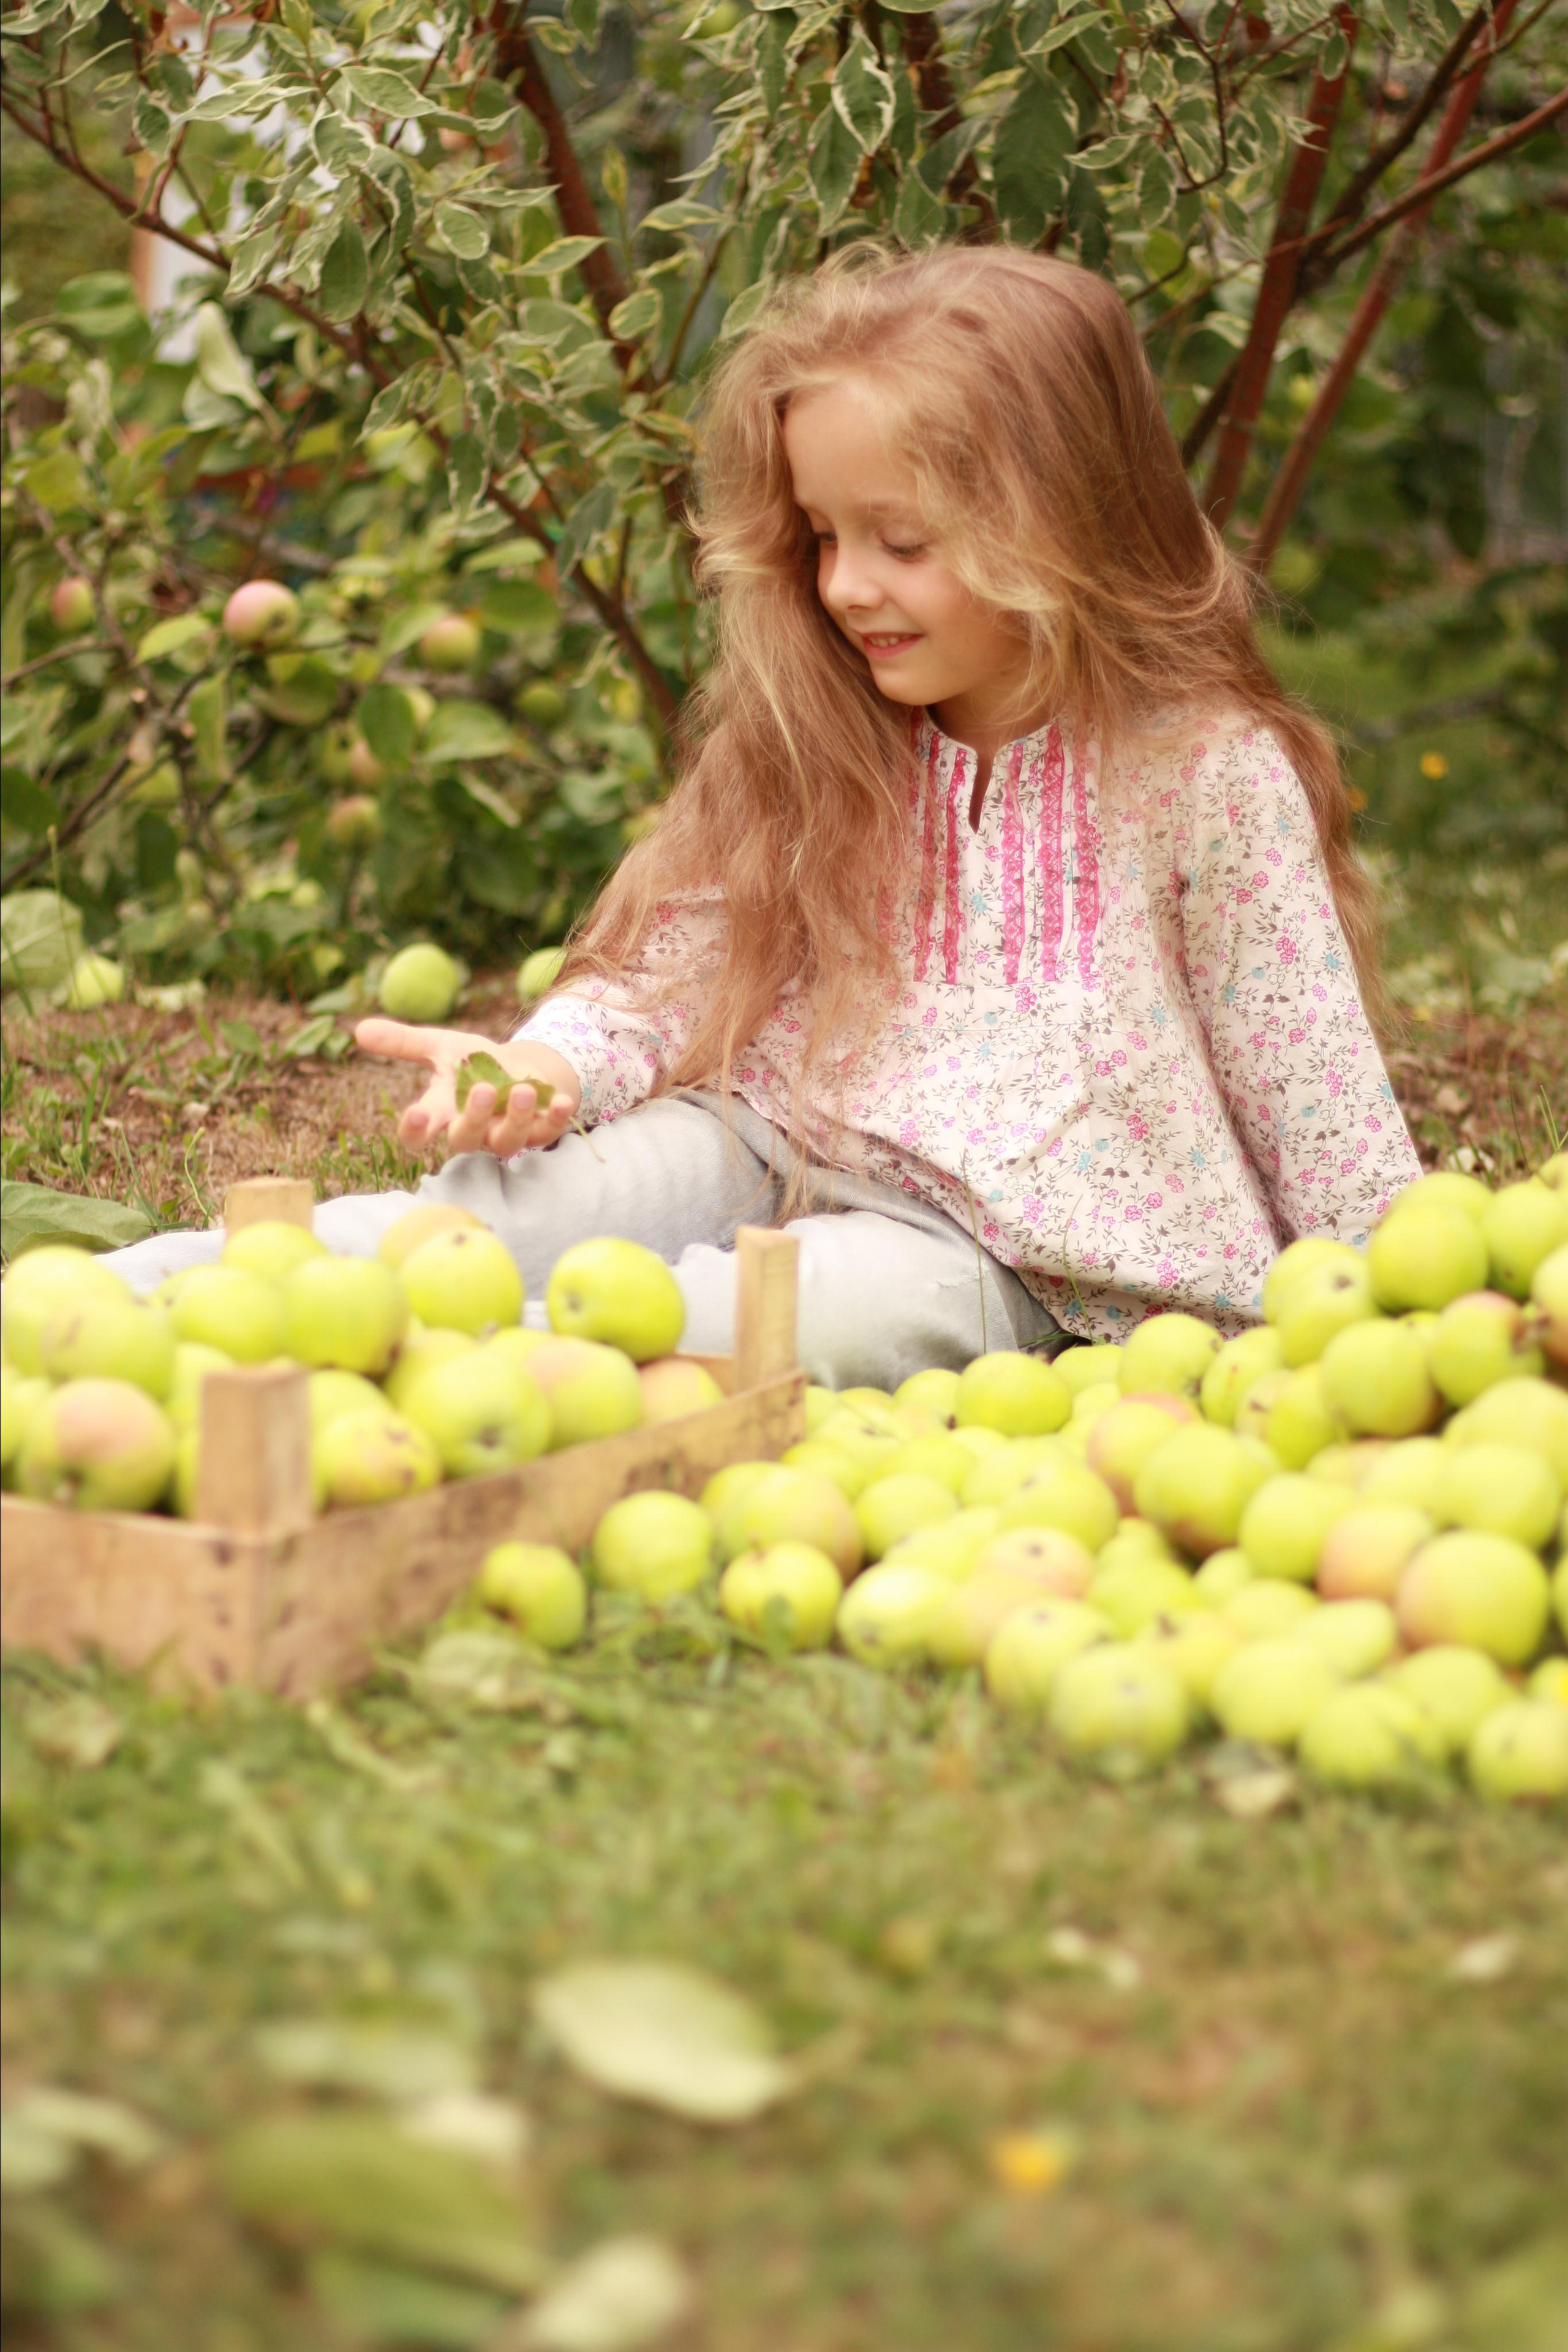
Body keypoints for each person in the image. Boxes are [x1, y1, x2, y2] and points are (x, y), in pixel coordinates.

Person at [111, 245, 1420, 1387]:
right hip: (762, 1130)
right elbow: (675, 960)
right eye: (819, 537)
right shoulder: (819, 729)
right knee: (500, 1219)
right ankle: (124, 1307)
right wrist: (549, 1069)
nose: (847, 587)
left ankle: (405, 1398)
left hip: (1004, 1245)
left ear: (1063, 518)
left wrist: (1401, 1312)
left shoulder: (1199, 776)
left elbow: (1308, 1088)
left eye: (900, 541)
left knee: (733, 1327)